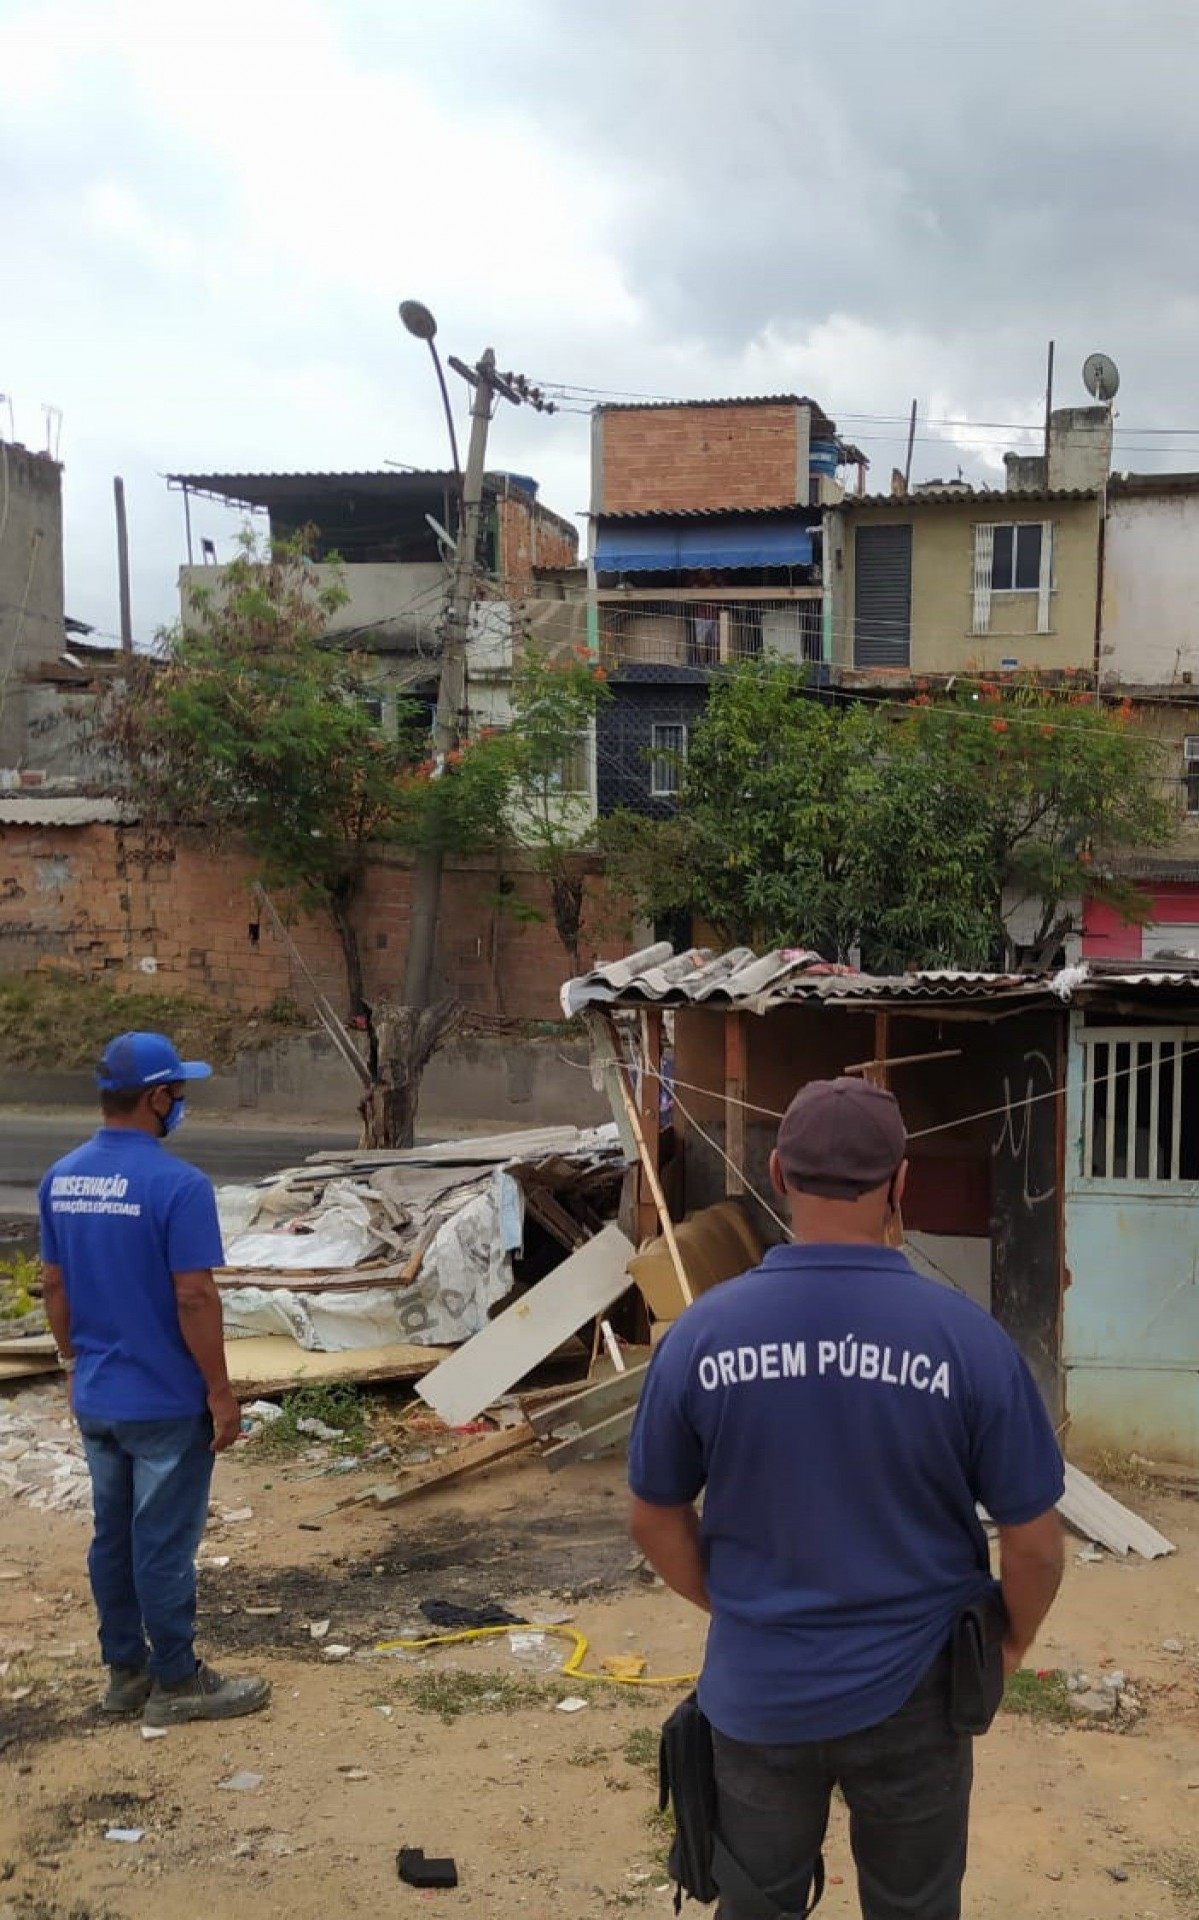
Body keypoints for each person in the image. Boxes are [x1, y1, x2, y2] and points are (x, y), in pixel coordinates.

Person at [629, 1076, 1065, 1920]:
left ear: (778, 1172)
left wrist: (735, 1607)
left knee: (754, 1908)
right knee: (914, 1905)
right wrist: (1006, 1649)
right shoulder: (966, 1341)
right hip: (918, 1694)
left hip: (757, 1691)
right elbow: (1035, 1545)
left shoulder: (703, 1335)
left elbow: (653, 1517)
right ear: (900, 1182)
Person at [39, 1031, 270, 1728]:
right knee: (163, 1544)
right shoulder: (178, 1185)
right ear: (157, 1098)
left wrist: (73, 1363)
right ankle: (177, 1680)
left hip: (100, 1396)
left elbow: (55, 1286)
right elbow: (194, 1296)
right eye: (179, 1093)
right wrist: (221, 1393)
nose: (182, 1104)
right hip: (165, 1401)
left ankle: (125, 1674)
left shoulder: (61, 1178)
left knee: (113, 1538)